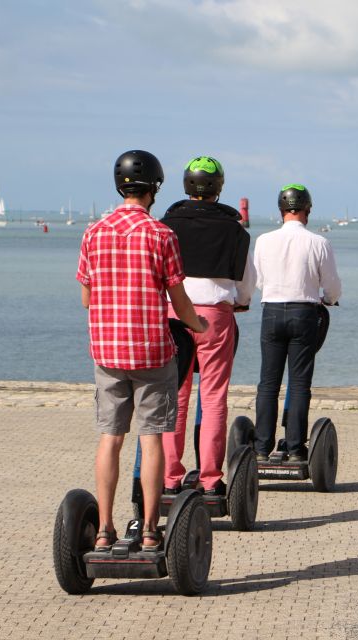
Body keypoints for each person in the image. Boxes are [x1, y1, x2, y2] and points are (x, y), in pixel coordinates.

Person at [76, 149, 207, 553]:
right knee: (151, 439)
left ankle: (103, 529)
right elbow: (179, 299)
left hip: (108, 352)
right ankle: (151, 530)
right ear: (153, 188)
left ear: (120, 187)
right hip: (151, 352)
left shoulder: (93, 234)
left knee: (110, 438)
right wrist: (197, 325)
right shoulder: (161, 235)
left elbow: (86, 297)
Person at [160, 156, 255, 497]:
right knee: (213, 397)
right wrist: (240, 301)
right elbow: (245, 280)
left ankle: (170, 477)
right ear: (219, 188)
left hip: (172, 314)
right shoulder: (235, 228)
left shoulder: (167, 224)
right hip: (215, 316)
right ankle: (211, 480)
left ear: (186, 185)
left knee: (176, 395)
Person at [252, 184, 342, 462]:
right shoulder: (318, 243)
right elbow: (332, 285)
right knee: (299, 383)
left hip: (272, 312)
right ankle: (293, 448)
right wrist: (328, 298)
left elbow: (258, 281)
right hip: (304, 313)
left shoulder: (264, 241)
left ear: (281, 211)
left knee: (268, 383)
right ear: (308, 210)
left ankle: (261, 448)